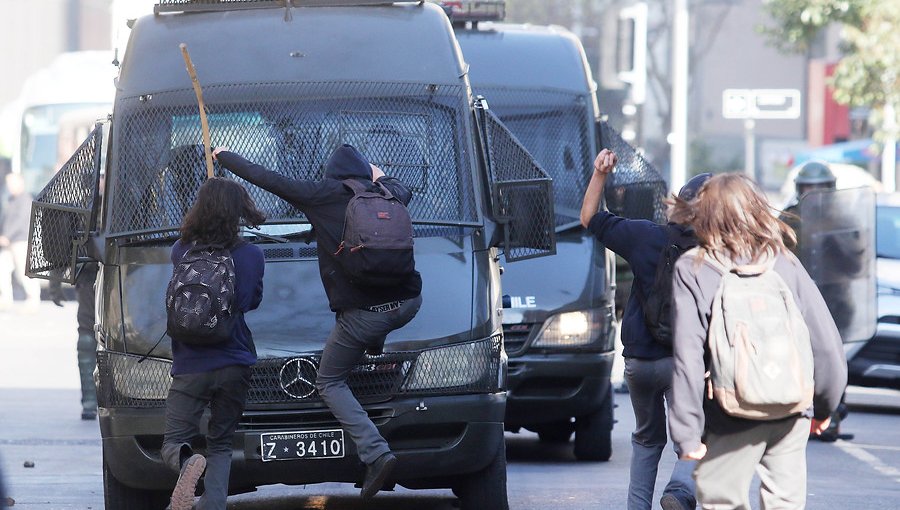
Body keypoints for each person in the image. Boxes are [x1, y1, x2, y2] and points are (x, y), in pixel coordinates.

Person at [214, 144, 422, 499]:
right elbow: (404, 185)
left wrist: (225, 156)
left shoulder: (322, 194)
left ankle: (376, 453)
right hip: (409, 302)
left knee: (329, 381)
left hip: (364, 314)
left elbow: (268, 179)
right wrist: (377, 173)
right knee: (367, 331)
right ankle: (370, 349)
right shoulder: (389, 192)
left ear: (332, 176)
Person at [668, 173, 847, 509]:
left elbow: (688, 359)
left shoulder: (692, 268)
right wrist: (825, 407)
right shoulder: (783, 260)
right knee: (785, 501)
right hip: (791, 408)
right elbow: (825, 342)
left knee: (722, 500)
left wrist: (687, 435)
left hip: (729, 409)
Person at [580, 148, 708, 510]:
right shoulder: (716, 254)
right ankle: (680, 491)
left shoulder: (645, 236)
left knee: (646, 440)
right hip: (683, 365)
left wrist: (601, 173)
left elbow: (590, 217)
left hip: (639, 362)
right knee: (695, 437)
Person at [162, 177, 266, 510]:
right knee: (221, 443)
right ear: (238, 212)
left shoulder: (181, 250)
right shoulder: (251, 255)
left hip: (190, 363)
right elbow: (250, 301)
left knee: (174, 441)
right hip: (234, 360)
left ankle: (186, 462)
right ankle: (213, 505)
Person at [781, 160, 850, 442]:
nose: (814, 192)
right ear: (800, 189)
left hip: (835, 299)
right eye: (809, 187)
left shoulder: (843, 219)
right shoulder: (789, 219)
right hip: (798, 296)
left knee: (831, 357)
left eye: (819, 187)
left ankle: (831, 416)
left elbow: (854, 262)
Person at [0, 172, 41, 310]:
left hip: (20, 241)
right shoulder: (11, 200)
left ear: (20, 183)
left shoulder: (25, 199)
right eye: (8, 183)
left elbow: (20, 221)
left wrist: (7, 236)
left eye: (12, 183)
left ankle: (33, 300)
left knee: (24, 273)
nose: (9, 186)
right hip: (9, 242)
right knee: (3, 270)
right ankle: (5, 299)